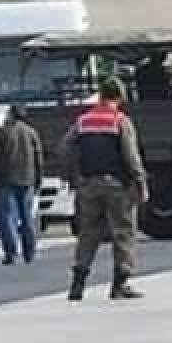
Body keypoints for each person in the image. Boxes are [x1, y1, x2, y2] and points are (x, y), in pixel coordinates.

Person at [61, 77, 148, 301]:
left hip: (88, 185)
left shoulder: (82, 121)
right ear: (119, 97)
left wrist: (75, 176)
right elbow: (131, 156)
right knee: (124, 233)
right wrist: (140, 181)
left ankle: (78, 283)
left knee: (88, 234)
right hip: (117, 186)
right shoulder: (120, 121)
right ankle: (120, 284)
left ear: (100, 96)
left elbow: (65, 148)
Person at [0, 103, 43, 265]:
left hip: (4, 180)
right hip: (27, 179)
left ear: (10, 114)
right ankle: (29, 252)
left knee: (7, 217)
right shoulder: (31, 133)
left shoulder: (0, 133)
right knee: (27, 217)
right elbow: (39, 158)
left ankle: (11, 253)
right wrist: (38, 179)